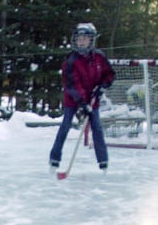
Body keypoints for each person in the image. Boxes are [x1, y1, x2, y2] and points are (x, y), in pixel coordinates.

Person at [49, 23, 115, 173]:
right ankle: (54, 159)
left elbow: (109, 74)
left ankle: (103, 161)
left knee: (97, 127)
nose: (81, 41)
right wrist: (83, 103)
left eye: (85, 38)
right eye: (79, 38)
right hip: (74, 98)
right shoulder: (71, 60)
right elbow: (72, 84)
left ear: (91, 40)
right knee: (66, 124)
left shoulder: (99, 57)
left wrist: (102, 86)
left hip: (93, 97)